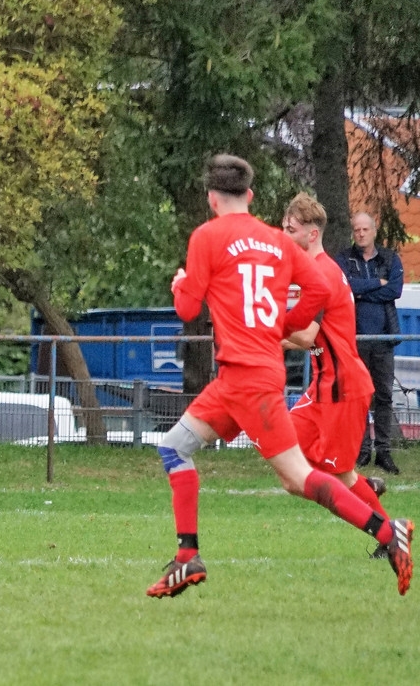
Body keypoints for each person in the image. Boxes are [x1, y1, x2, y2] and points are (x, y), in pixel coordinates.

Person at [147, 155, 413, 599]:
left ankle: (388, 533)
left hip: (249, 380)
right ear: (250, 195)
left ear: (212, 199)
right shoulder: (275, 240)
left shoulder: (207, 236)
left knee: (298, 476)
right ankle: (187, 556)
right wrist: (280, 325)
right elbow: (319, 290)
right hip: (241, 376)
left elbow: (188, 309)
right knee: (174, 447)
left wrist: (180, 284)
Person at [280, 193, 393, 557]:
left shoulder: (322, 273)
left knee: (335, 477)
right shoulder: (314, 270)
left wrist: (261, 333)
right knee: (288, 464)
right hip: (323, 385)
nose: (285, 235)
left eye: (291, 229)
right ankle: (363, 489)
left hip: (342, 387)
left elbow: (306, 337)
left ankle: (389, 536)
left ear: (312, 234)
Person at [336, 212, 404, 475]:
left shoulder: (390, 258)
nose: (361, 234)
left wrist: (362, 293)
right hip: (354, 339)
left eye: (365, 229)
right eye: (357, 230)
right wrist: (376, 283)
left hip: (384, 339)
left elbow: (395, 290)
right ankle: (362, 450)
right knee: (358, 397)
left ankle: (383, 452)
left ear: (374, 231)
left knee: (384, 395)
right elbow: (345, 288)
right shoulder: (344, 259)